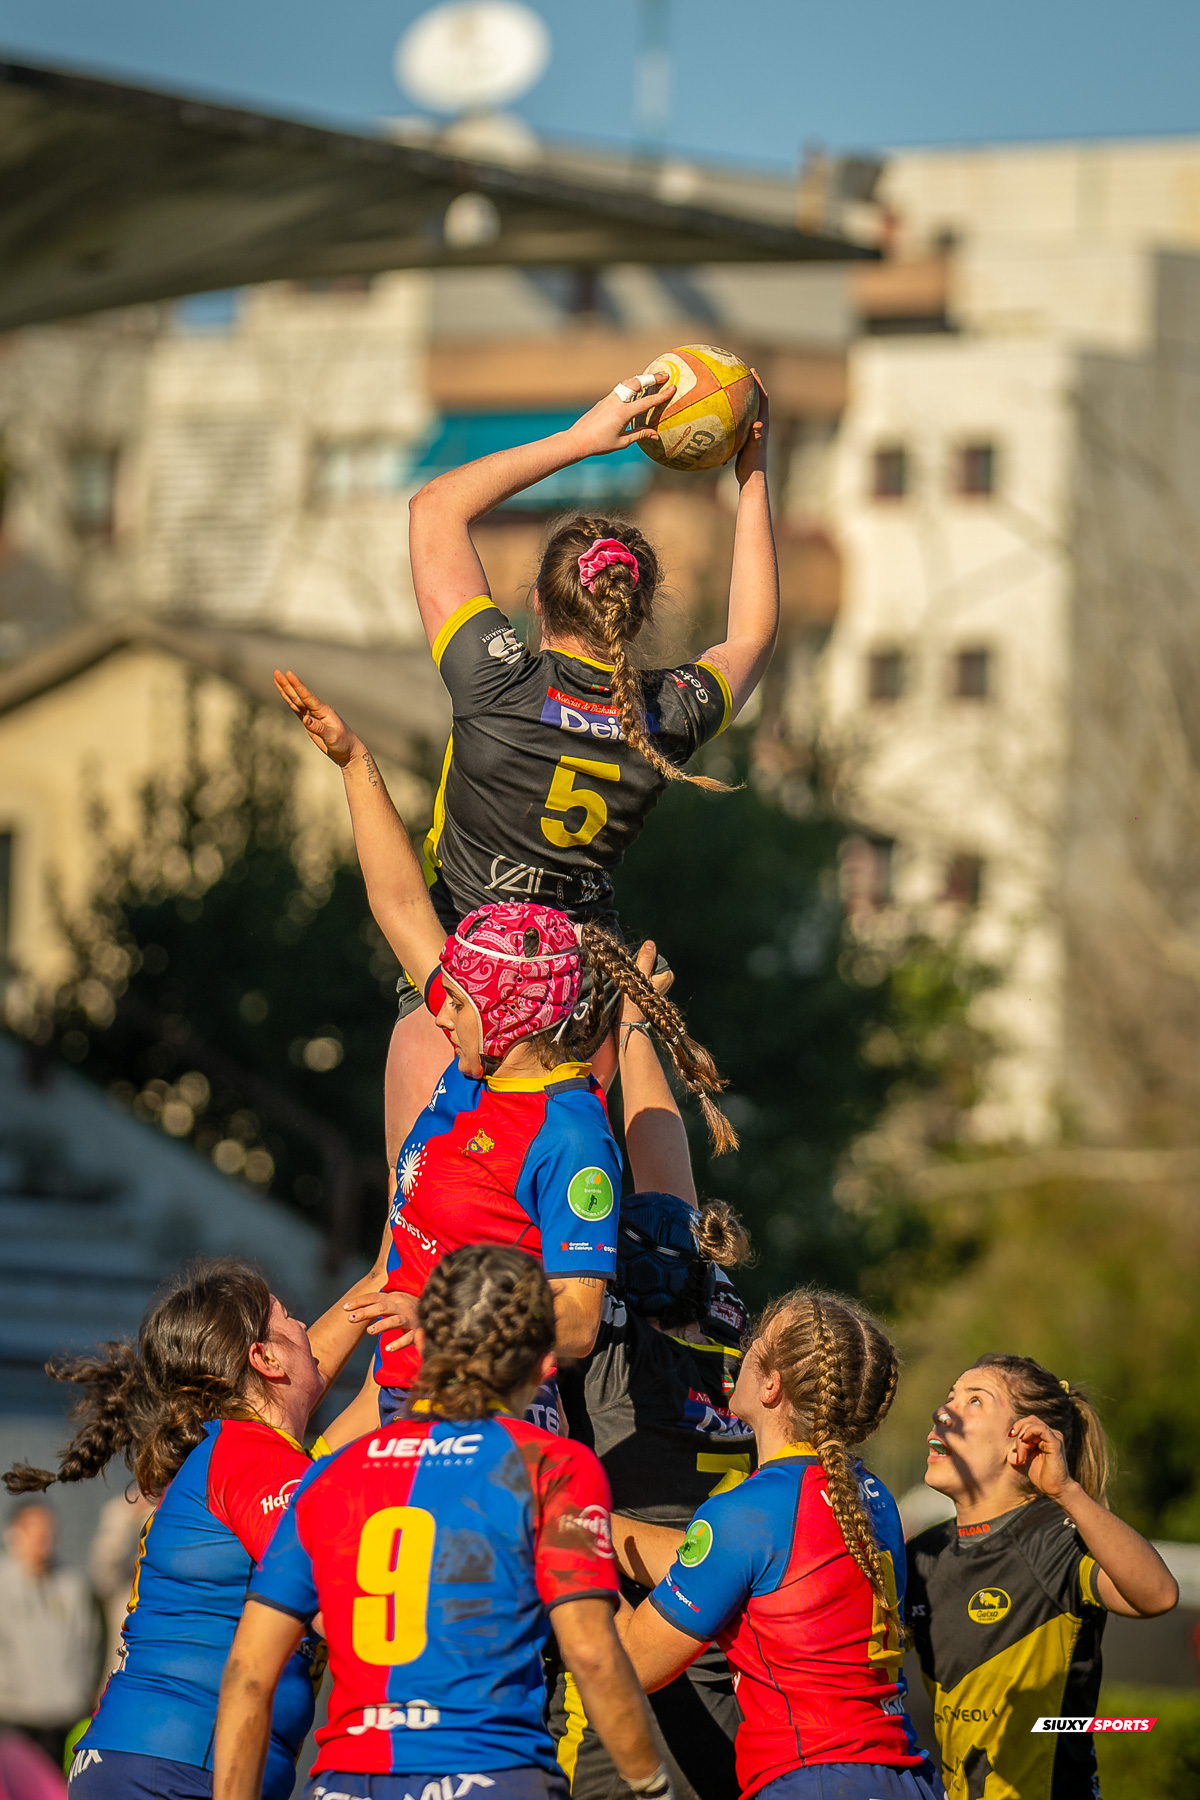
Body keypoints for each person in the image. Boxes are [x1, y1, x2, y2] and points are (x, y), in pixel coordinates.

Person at [272, 674, 733, 1437]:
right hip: (398, 1394)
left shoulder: (571, 1135)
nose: (437, 1010)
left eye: (456, 1001)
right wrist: (355, 762)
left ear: (510, 1018)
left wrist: (441, 1319)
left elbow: (577, 1320)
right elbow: (399, 904)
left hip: (481, 1419)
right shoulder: (480, 1060)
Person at [391, 365, 778, 1150]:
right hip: (579, 1005)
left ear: (537, 599)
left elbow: (434, 507)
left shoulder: (495, 679)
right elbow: (752, 635)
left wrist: (581, 440)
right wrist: (753, 471)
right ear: (638, 614)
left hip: (462, 988)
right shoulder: (664, 713)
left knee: (424, 1221)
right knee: (564, 1214)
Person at [212, 1244, 677, 1800]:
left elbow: (248, 1674)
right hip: (491, 1777)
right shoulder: (550, 1466)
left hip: (349, 1782)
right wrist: (651, 1783)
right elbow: (594, 1655)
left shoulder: (330, 1475)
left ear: (423, 1343)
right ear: (545, 1363)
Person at [3, 1257, 385, 1800]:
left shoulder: (248, 1455)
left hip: (147, 1760)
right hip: (175, 1765)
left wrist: (404, 1238)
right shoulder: (252, 1460)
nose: (306, 1325)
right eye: (287, 1315)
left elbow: (381, 1395)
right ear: (264, 1358)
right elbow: (347, 1607)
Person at [551, 949, 756, 1800]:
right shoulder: (728, 1323)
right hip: (725, 1633)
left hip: (634, 1625)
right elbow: (666, 1162)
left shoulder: (601, 1344)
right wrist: (634, 1031)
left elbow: (636, 1167)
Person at [617, 1290, 942, 1800]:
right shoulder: (870, 1495)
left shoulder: (748, 1512)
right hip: (903, 1776)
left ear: (771, 1385)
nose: (741, 1349)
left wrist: (567, 1549)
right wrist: (600, 1527)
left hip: (815, 1782)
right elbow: (733, 1572)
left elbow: (634, 1663)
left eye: (755, 1341)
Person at [907, 1354, 1179, 1800]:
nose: (944, 1412)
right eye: (950, 1397)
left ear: (1023, 1443)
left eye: (975, 1401)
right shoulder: (922, 1554)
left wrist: (1067, 1492)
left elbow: (1159, 1595)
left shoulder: (1055, 1537)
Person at [0, 1500, 100, 1770]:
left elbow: (87, 1645)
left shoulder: (72, 1585)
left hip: (66, 1720)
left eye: (47, 1532)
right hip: (13, 1722)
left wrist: (81, 1693)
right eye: (33, 1531)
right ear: (13, 1533)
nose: (42, 1539)